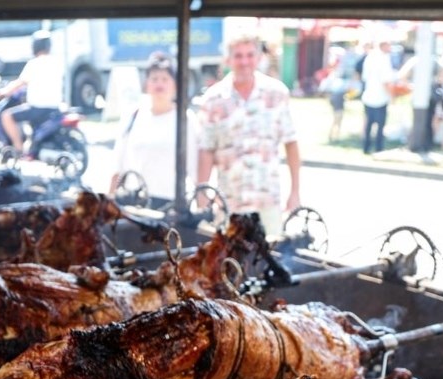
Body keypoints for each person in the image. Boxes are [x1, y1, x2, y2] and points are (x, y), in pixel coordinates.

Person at [197, 34, 300, 236]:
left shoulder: (276, 93)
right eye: (238, 56)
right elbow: (206, 150)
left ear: (259, 57)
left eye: (249, 55)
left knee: (271, 259)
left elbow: (291, 143)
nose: (244, 62)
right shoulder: (213, 99)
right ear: (228, 60)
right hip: (229, 203)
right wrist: (202, 193)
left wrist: (295, 191)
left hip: (267, 201)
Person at [108, 53, 199, 209]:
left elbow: (195, 168)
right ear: (147, 84)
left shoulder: (185, 120)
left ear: (175, 85)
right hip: (134, 202)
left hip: (170, 205)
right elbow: (118, 166)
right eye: (154, 79)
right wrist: (108, 201)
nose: (159, 84)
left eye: (165, 79)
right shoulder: (133, 116)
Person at [0, 30, 64, 157]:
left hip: (37, 108)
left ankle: (19, 149)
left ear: (35, 46)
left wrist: (4, 91)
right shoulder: (58, 62)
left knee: (6, 116)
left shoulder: (34, 63)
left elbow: (20, 83)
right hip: (55, 108)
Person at [360, 40, 395, 155]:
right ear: (384, 45)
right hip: (380, 97)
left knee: (368, 124)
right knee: (380, 126)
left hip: (368, 96)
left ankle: (366, 147)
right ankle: (379, 149)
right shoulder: (384, 59)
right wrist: (392, 95)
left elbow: (364, 77)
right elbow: (386, 81)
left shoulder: (369, 57)